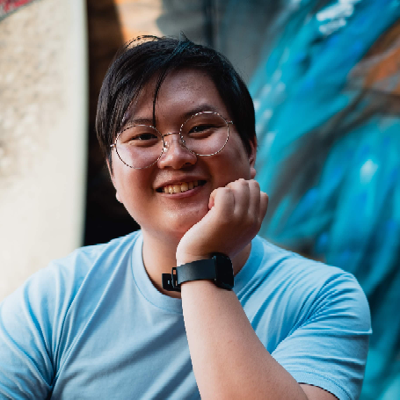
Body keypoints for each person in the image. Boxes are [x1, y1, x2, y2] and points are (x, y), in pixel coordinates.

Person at [0, 35, 371, 399]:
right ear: (113, 175)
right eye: (143, 137)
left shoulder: (322, 298)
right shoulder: (58, 296)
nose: (175, 156)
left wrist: (201, 263)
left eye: (200, 128)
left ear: (250, 152)